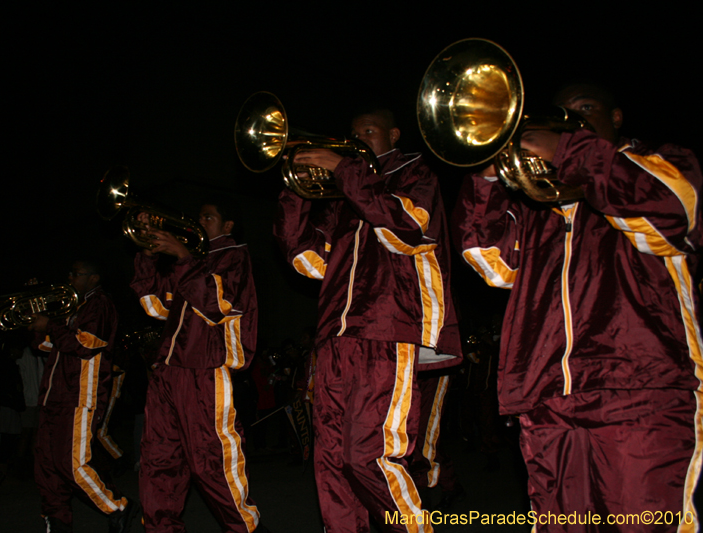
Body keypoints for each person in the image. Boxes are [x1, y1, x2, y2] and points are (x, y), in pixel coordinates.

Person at [452, 82, 702, 530]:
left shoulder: (660, 162)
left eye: (585, 109)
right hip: (546, 393)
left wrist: (573, 151)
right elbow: (491, 265)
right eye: (561, 114)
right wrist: (487, 178)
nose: (568, 120)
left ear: (617, 117)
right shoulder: (536, 204)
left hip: (640, 390)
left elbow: (673, 216)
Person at [274, 108, 461, 532]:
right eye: (352, 134)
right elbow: (305, 259)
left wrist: (344, 169)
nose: (357, 141)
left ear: (393, 134)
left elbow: (407, 229)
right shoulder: (340, 196)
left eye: (368, 132)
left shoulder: (416, 172)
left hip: (388, 327)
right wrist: (296, 189)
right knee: (330, 461)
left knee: (369, 455)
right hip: (334, 335)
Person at [131, 199, 268, 532]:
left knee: (212, 461)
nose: (199, 223)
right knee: (158, 460)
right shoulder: (194, 259)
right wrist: (148, 253)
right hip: (167, 369)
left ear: (228, 226)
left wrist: (183, 255)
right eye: (199, 217)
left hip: (206, 370)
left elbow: (216, 305)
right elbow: (154, 306)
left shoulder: (234, 255)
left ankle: (246, 528)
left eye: (209, 217)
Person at [31, 261, 136, 533]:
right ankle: (57, 521)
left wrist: (51, 326)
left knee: (71, 465)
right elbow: (43, 345)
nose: (68, 277)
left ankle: (117, 507)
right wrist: (39, 316)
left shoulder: (99, 304)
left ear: (93, 278)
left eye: (75, 273)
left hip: (78, 395)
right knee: (47, 466)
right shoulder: (71, 307)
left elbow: (85, 344)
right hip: (53, 396)